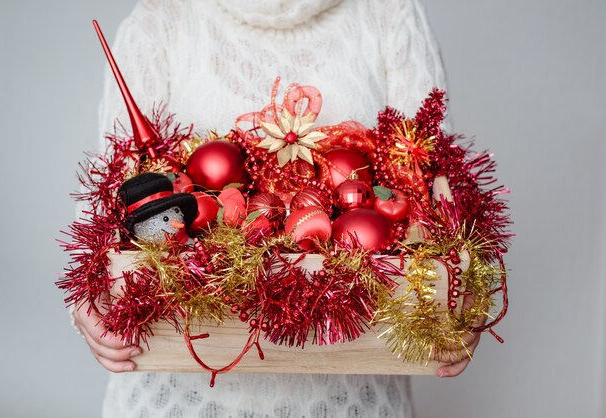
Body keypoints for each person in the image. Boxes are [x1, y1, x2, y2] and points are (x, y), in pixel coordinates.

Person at [73, 0, 483, 416]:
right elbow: (110, 194)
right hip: (180, 401)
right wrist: (88, 302)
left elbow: (438, 178)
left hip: (351, 403)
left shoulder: (388, 12)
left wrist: (462, 295)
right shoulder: (160, 19)